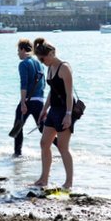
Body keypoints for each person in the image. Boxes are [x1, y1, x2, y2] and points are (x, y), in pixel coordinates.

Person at [34, 38, 75, 189]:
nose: (42, 61)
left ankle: (69, 182)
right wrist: (44, 110)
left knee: (63, 147)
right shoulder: (50, 68)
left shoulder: (64, 68)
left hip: (65, 110)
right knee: (44, 143)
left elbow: (69, 93)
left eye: (43, 58)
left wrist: (69, 114)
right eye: (40, 59)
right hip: (53, 110)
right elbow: (53, 91)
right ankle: (44, 179)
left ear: (51, 54)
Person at [13, 38, 45, 157]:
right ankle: (61, 148)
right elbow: (43, 84)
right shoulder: (39, 63)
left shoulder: (24, 64)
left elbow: (24, 84)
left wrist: (23, 103)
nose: (17, 53)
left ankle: (17, 154)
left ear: (22, 49)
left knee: (17, 127)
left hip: (28, 101)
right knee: (43, 129)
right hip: (39, 101)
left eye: (18, 50)